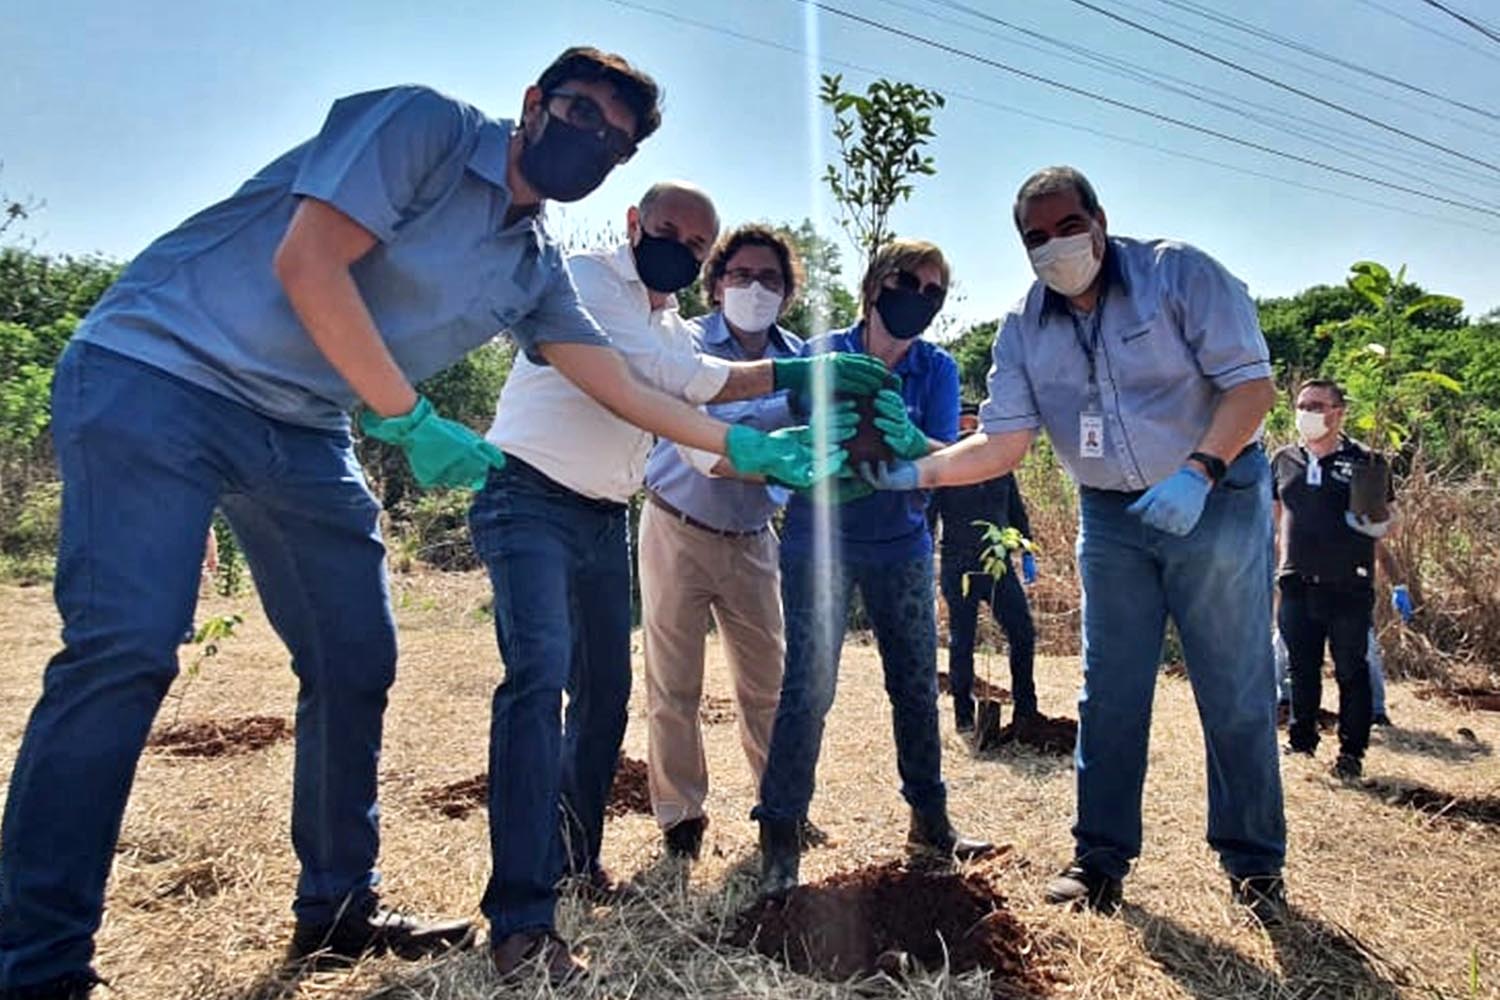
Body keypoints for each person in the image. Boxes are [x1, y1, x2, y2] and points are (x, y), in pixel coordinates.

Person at [0, 48, 827, 1000]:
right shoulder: (423, 126)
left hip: (303, 423)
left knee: (355, 658)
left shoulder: (532, 265)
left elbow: (612, 379)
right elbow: (308, 261)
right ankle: (42, 964)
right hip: (163, 372)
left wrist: (741, 447)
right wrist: (410, 415)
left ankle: (337, 908)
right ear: (533, 104)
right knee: (125, 652)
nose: (593, 140)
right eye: (580, 113)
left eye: (616, 139)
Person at [862, 167, 1286, 922]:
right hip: (1112, 515)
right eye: (1035, 237)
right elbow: (1002, 443)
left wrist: (1199, 472)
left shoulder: (1178, 274)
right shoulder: (1025, 327)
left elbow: (1251, 387)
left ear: (1099, 217)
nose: (1054, 246)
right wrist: (913, 472)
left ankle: (1254, 867)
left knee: (1233, 687)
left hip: (1216, 496)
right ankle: (1099, 860)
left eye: (1066, 227)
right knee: (1109, 690)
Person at [473, 195, 877, 982]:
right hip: (527, 495)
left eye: (694, 242)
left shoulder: (663, 325)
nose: (679, 250)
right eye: (668, 234)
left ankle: (574, 861)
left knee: (603, 698)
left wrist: (783, 443)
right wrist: (791, 378)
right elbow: (663, 381)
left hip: (599, 516)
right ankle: (521, 919)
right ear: (633, 224)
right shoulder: (590, 280)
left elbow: (689, 422)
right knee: (538, 686)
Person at [753, 238, 994, 899]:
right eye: (908, 282)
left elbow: (941, 455)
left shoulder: (938, 370)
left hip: (902, 544)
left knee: (916, 687)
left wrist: (914, 448)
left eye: (934, 291)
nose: (919, 297)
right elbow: (815, 428)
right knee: (808, 689)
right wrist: (870, 442)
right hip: (817, 542)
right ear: (875, 284)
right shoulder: (821, 353)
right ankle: (780, 833)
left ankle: (930, 822)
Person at [638, 224, 811, 862]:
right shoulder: (682, 345)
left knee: (769, 684)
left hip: (752, 538)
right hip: (675, 525)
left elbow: (822, 443)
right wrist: (773, 457)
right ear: (715, 286)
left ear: (787, 292)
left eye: (770, 278)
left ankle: (781, 807)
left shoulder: (801, 363)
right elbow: (701, 438)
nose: (755, 288)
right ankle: (681, 816)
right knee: (673, 684)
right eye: (741, 275)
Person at [1272, 378, 1403, 779]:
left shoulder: (1367, 461)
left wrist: (1378, 524)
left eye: (1316, 405)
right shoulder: (1283, 459)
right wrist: (1279, 569)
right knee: (1301, 666)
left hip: (1349, 582)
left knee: (1351, 668)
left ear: (1338, 411)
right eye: (1301, 405)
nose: (1306, 413)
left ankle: (1351, 751)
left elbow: (1392, 522)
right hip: (1296, 580)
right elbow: (1277, 519)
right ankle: (1302, 741)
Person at [930, 404, 1040, 731]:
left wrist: (1027, 549)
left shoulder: (1000, 467)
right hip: (957, 563)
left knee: (1022, 633)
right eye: (963, 426)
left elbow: (1016, 513)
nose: (969, 430)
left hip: (999, 564)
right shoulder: (948, 464)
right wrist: (922, 554)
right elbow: (928, 515)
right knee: (962, 639)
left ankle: (1025, 708)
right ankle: (964, 715)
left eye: (975, 425)